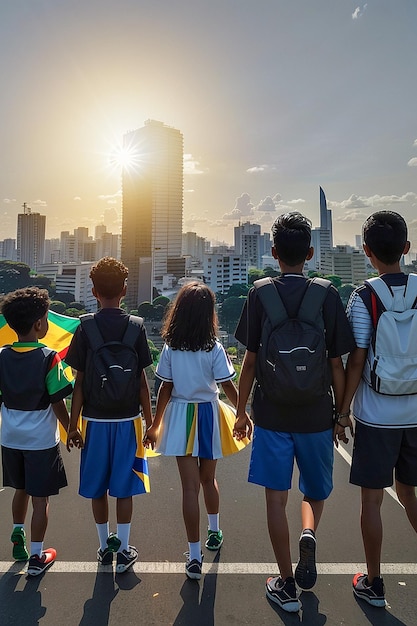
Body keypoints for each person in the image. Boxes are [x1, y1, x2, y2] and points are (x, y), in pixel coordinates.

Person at [234, 212, 356, 612]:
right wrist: (341, 414)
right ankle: (309, 531)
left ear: (273, 253)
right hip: (316, 413)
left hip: (271, 414)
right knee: (314, 491)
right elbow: (337, 363)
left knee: (275, 498)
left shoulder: (258, 293)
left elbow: (249, 361)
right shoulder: (328, 293)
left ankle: (285, 582)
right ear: (310, 252)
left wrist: (240, 410)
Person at [144, 282, 251, 580]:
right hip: (209, 416)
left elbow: (165, 387)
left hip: (180, 417)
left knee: (188, 488)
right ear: (208, 314)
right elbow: (227, 385)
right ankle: (214, 532)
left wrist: (154, 424)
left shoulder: (170, 347)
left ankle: (193, 556)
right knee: (209, 480)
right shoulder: (214, 347)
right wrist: (242, 414)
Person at [338, 210, 417, 608]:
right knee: (411, 492)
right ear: (406, 248)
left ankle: (373, 581)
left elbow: (357, 359)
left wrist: (343, 410)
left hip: (376, 415)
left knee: (373, 500)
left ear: (366, 251)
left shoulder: (363, 296)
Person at [66, 257, 153, 573]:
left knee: (98, 486)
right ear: (125, 290)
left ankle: (104, 547)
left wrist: (74, 425)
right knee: (125, 486)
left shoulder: (86, 326)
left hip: (94, 421)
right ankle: (125, 547)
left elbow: (80, 381)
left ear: (93, 290)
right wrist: (150, 421)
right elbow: (142, 382)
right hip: (129, 421)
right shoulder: (136, 326)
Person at [0, 287, 76, 576]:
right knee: (40, 499)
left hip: (10, 437)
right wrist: (70, 428)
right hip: (40, 441)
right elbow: (57, 401)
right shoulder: (49, 357)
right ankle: (36, 556)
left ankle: (17, 531)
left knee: (19, 488)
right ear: (40, 323)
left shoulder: (1, 356)